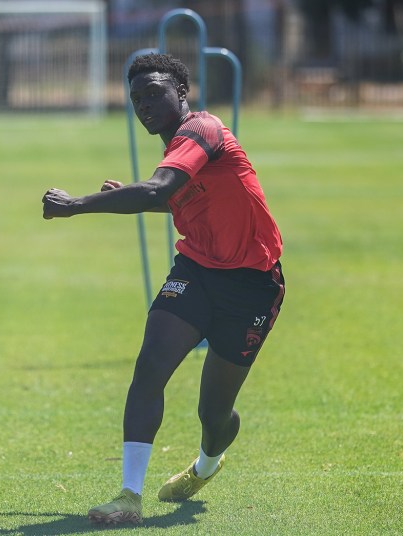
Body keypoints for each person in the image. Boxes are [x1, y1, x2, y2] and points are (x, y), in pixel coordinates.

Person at [42, 53, 285, 525]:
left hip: (253, 285)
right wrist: (126, 193)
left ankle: (206, 465)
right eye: (136, 98)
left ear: (182, 92)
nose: (144, 105)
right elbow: (173, 195)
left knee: (215, 414)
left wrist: (76, 205)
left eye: (154, 93)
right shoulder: (176, 150)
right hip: (196, 271)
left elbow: (158, 190)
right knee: (150, 366)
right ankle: (129, 496)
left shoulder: (203, 130)